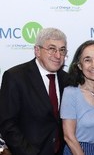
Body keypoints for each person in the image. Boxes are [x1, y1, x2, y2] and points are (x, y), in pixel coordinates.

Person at [0, 27, 69, 155]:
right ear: (37, 50)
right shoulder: (15, 77)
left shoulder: (67, 80)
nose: (58, 55)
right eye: (52, 49)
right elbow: (7, 125)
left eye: (62, 50)